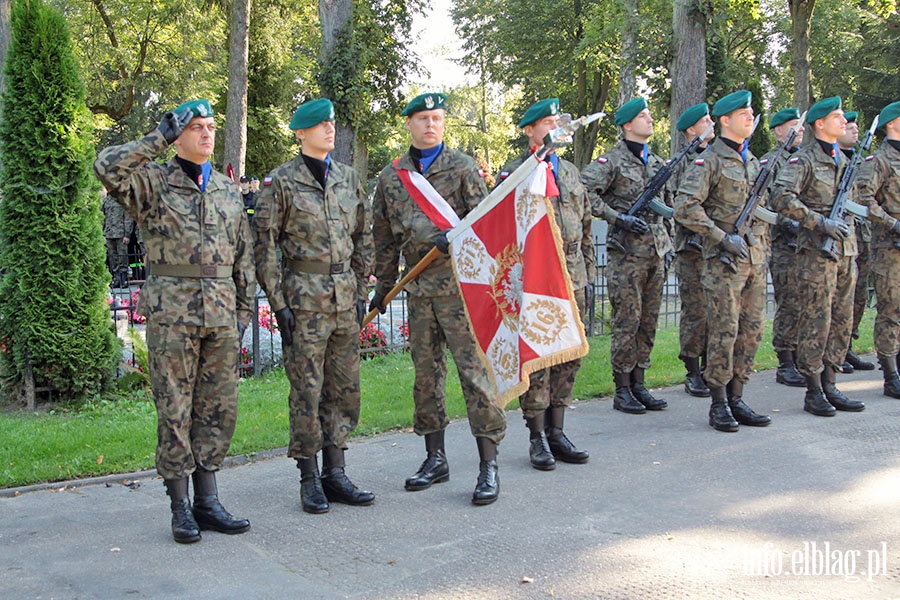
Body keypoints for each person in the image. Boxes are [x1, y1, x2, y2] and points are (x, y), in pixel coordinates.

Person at [94, 99, 255, 543]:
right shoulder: (152, 182)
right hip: (173, 314)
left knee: (218, 409)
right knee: (175, 408)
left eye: (210, 127)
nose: (206, 134)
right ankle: (180, 505)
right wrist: (156, 138)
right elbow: (105, 166)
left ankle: (208, 500)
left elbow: (243, 257)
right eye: (196, 128)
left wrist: (242, 312)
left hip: (221, 315)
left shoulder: (226, 190)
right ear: (179, 136)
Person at [371, 92, 507, 505]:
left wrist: (460, 237)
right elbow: (384, 236)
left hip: (460, 292)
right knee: (426, 379)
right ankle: (435, 459)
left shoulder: (464, 168)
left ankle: (488, 464)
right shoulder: (391, 178)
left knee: (475, 377)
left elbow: (487, 224)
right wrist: (382, 285)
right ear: (409, 124)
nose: (431, 125)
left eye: (438, 118)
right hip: (419, 292)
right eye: (423, 118)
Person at [253, 98, 375, 514]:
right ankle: (309, 479)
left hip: (344, 297)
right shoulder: (281, 183)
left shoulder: (346, 178)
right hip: (303, 300)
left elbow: (363, 236)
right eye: (319, 125)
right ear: (300, 133)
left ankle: (336, 473)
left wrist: (359, 289)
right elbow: (263, 245)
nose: (329, 129)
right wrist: (279, 302)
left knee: (344, 389)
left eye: (331, 124)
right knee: (307, 391)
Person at [495, 98, 591, 471]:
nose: (555, 127)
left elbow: (583, 225)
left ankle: (558, 431)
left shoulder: (568, 171)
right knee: (537, 358)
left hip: (572, 276)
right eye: (547, 122)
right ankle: (536, 436)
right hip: (534, 281)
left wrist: (589, 275)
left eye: (557, 120)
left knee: (569, 355)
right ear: (530, 131)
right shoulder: (515, 172)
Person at [674, 90, 772, 432]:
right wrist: (721, 237)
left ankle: (737, 396)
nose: (750, 116)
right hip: (723, 263)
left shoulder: (753, 160)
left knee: (752, 331)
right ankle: (718, 403)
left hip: (753, 259)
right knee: (723, 332)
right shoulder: (709, 160)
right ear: (724, 120)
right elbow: (686, 207)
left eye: (751, 111)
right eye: (743, 112)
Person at [771, 96, 866, 416]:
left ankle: (830, 384)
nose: (844, 122)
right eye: (837, 117)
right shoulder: (804, 160)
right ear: (819, 124)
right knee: (817, 322)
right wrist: (818, 222)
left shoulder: (844, 160)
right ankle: (813, 391)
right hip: (815, 254)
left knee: (842, 321)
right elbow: (781, 197)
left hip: (845, 253)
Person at [581, 97, 670, 415]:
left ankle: (639, 383)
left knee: (649, 321)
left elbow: (667, 208)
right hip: (627, 256)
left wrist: (667, 245)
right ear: (627, 125)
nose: (649, 120)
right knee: (627, 321)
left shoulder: (658, 163)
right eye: (643, 116)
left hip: (655, 254)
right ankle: (622, 389)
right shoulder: (611, 162)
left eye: (649, 115)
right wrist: (617, 218)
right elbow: (583, 192)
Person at [855, 101, 900, 398]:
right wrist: (892, 223)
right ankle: (890, 373)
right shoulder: (878, 160)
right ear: (893, 123)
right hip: (890, 247)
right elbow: (864, 199)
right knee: (891, 311)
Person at [672, 103, 715, 397]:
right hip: (692, 247)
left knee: (717, 309)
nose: (712, 123)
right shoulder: (681, 163)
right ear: (692, 130)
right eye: (706, 121)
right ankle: (692, 369)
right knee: (696, 311)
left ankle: (712, 365)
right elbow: (678, 206)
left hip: (716, 246)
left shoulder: (719, 159)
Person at [764, 107, 807, 387]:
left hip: (807, 244)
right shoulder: (769, 162)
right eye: (794, 125)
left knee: (806, 302)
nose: (800, 129)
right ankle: (786, 362)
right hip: (784, 244)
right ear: (780, 131)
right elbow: (761, 204)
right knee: (789, 303)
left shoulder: (805, 160)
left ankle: (803, 358)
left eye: (802, 126)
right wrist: (786, 223)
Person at [837, 111, 876, 372]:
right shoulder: (834, 160)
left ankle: (848, 344)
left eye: (856, 128)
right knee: (839, 297)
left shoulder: (862, 162)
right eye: (849, 127)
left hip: (862, 237)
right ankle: (835, 350)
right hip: (841, 236)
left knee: (859, 294)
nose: (854, 131)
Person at [101, 188, 136, 288]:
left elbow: (128, 218)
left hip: (121, 233)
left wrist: (127, 234)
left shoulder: (122, 200)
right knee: (113, 257)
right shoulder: (106, 200)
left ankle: (123, 279)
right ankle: (117, 278)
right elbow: (102, 217)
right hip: (109, 233)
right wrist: (103, 233)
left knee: (122, 257)